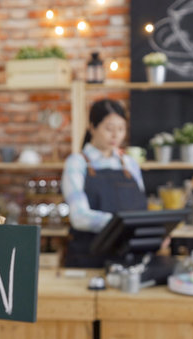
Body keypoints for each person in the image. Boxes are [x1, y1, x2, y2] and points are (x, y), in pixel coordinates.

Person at [62, 99, 147, 268]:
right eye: (109, 129)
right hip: (89, 258)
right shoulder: (77, 163)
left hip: (130, 259)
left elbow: (142, 210)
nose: (116, 135)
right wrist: (123, 225)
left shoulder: (130, 164)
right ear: (92, 127)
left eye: (121, 129)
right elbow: (79, 217)